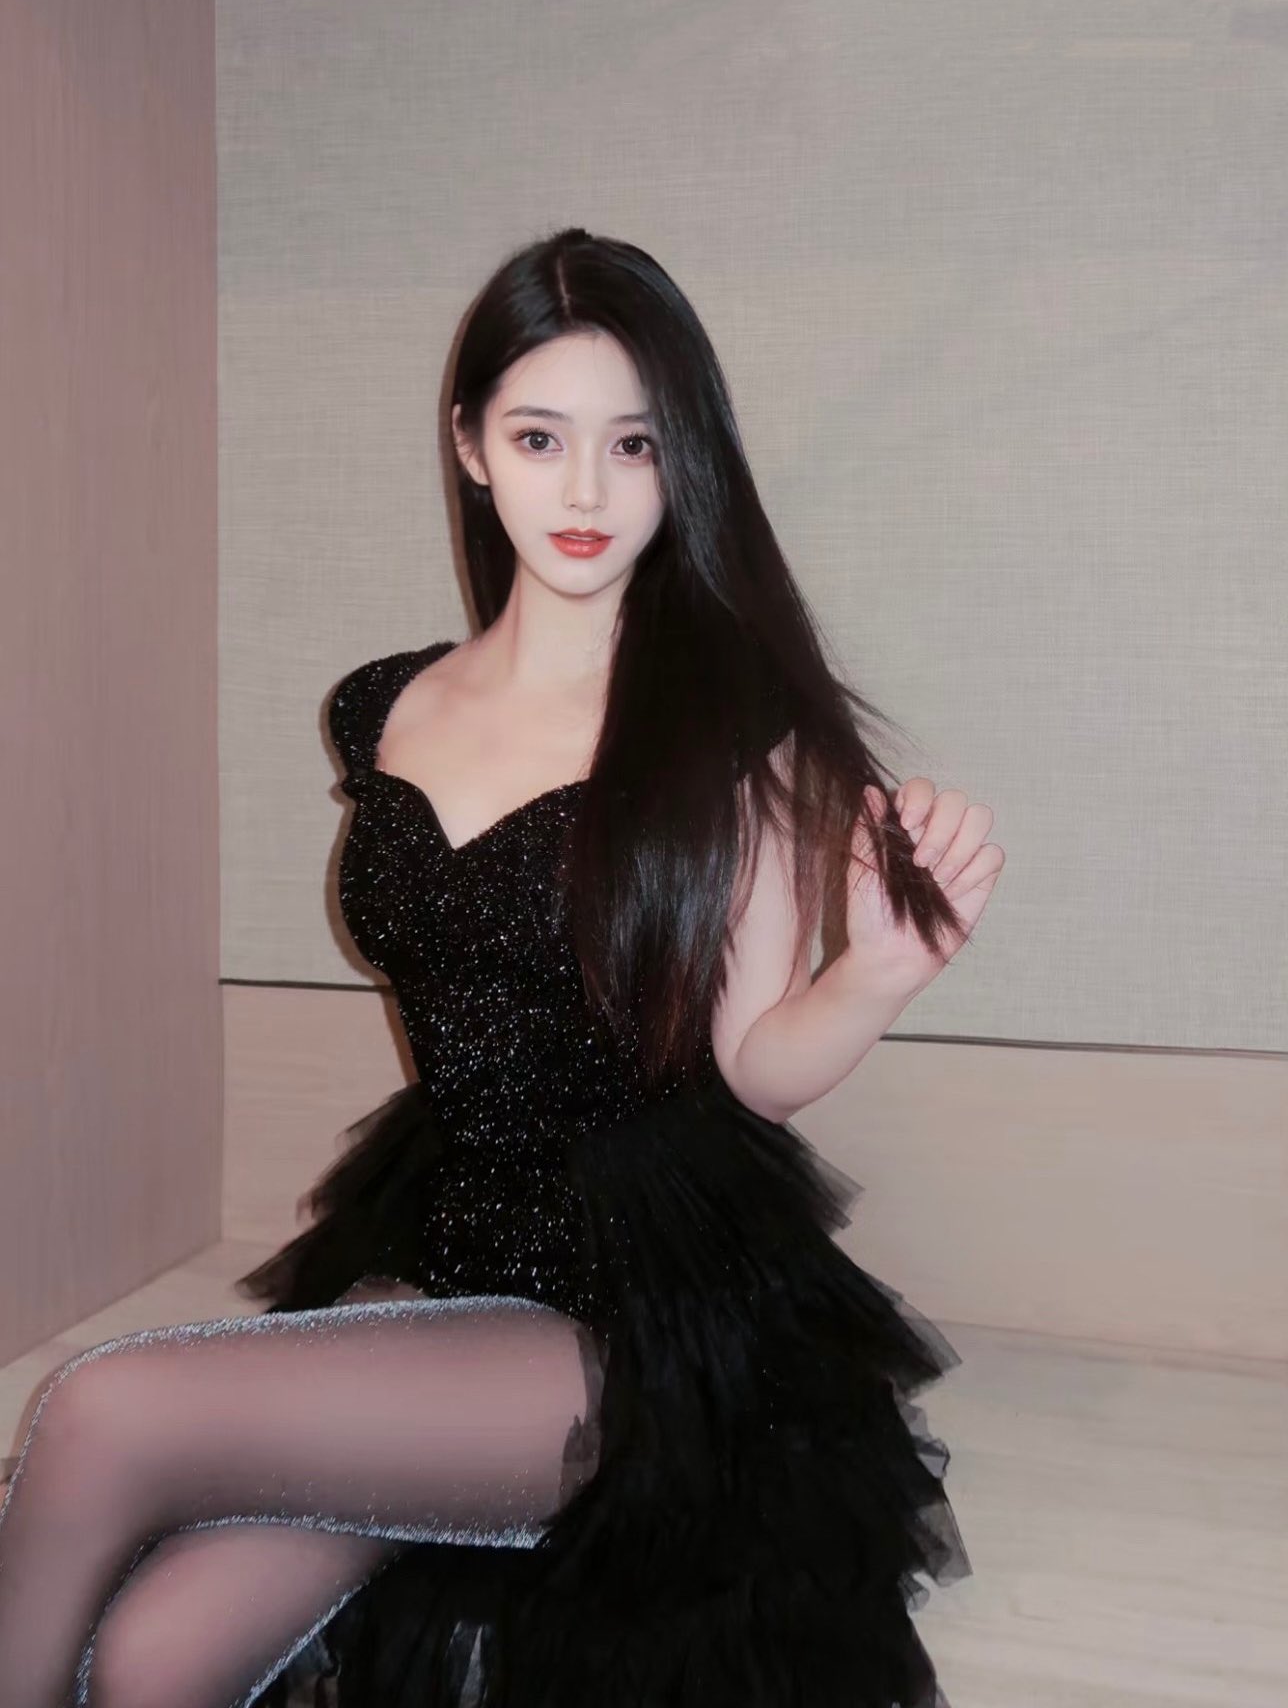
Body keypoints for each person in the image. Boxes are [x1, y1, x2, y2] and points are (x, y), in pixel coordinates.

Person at [0, 226, 1003, 1708]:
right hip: (430, 1253)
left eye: (633, 445)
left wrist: (877, 975)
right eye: (541, 438)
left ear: (684, 462)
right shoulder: (388, 707)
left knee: (98, 1410)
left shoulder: (731, 730)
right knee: (154, 1658)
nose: (586, 491)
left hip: (623, 1321)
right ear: (471, 445)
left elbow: (749, 1071)